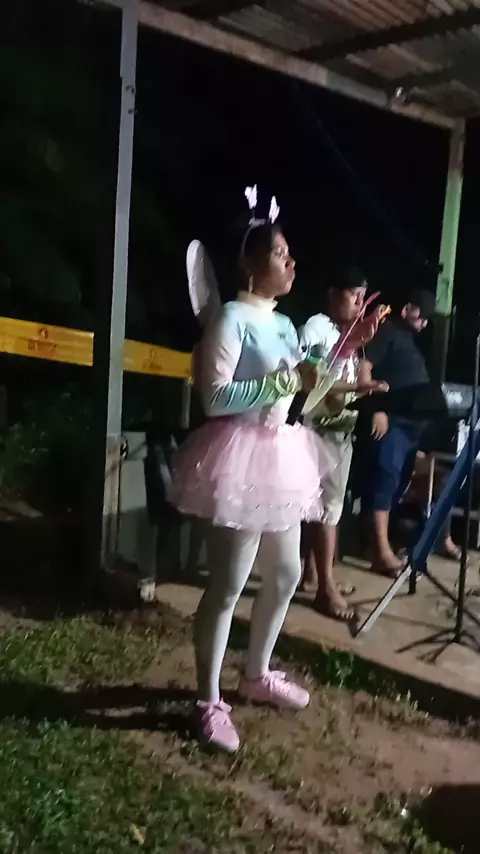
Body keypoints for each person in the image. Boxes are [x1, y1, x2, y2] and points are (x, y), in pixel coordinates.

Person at [169, 209, 337, 753]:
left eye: (289, 255)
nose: (292, 263)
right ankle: (207, 700)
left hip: (282, 457)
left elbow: (298, 394)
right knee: (228, 585)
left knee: (287, 572)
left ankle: (256, 674)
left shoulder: (285, 325)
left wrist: (329, 383)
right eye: (280, 254)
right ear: (250, 262)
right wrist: (283, 382)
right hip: (237, 456)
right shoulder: (231, 319)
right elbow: (215, 398)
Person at [299, 267, 388, 620]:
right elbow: (315, 383)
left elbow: (348, 383)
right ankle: (326, 589)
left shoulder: (350, 334)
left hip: (340, 429)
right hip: (319, 429)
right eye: (353, 295)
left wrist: (365, 388)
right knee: (328, 509)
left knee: (323, 507)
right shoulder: (317, 328)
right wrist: (356, 383)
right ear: (333, 294)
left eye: (363, 297)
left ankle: (314, 575)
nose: (359, 304)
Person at [356, 288, 436, 576]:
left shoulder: (410, 341)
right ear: (406, 309)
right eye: (421, 315)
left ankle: (373, 545)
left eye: (427, 319)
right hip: (392, 423)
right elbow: (364, 367)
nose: (424, 322)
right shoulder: (386, 331)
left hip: (410, 429)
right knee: (384, 481)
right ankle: (381, 553)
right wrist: (376, 408)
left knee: (396, 483)